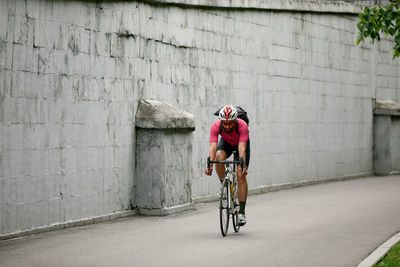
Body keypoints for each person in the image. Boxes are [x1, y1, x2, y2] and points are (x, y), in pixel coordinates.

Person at [205, 105, 250, 226]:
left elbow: (242, 148)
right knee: (218, 157)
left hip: (241, 143)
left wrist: (242, 164)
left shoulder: (242, 126)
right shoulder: (216, 126)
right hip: (226, 143)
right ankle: (225, 186)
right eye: (225, 123)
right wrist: (210, 163)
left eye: (230, 123)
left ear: (235, 120)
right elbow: (213, 146)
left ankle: (241, 212)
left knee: (241, 175)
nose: (227, 125)